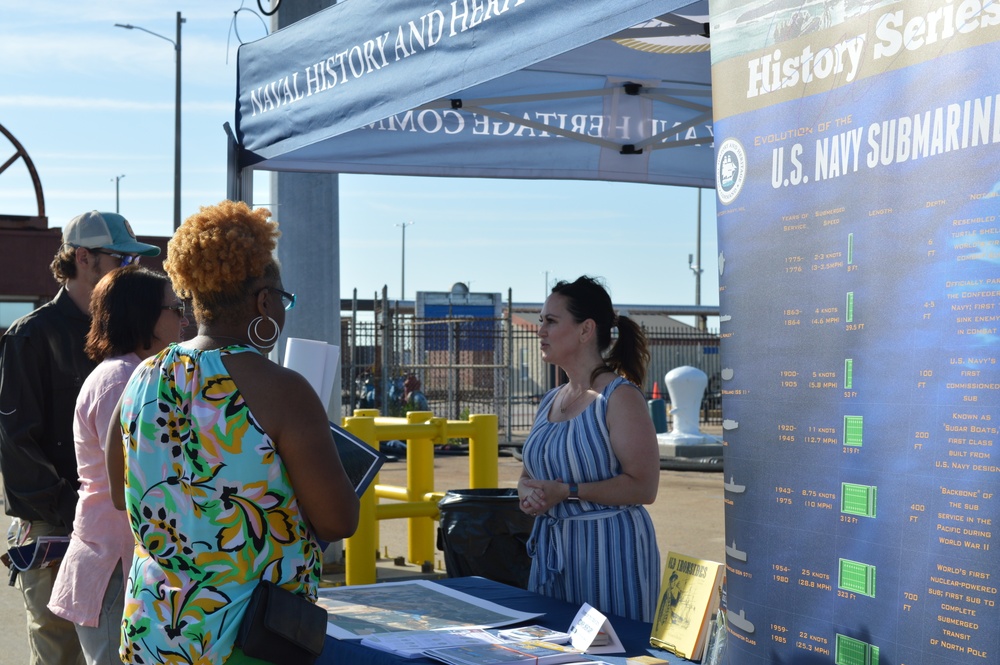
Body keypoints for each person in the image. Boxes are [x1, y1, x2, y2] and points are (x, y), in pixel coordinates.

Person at [105, 200, 360, 665]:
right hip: (246, 639)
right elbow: (338, 521)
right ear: (264, 301)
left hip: (153, 632)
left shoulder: (141, 378)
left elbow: (124, 495)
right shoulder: (283, 390)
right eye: (281, 299)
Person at [0, 211, 160, 665]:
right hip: (57, 523)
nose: (131, 268)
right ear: (83, 258)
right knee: (59, 651)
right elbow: (15, 443)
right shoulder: (31, 335)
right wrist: (75, 512)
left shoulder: (124, 337)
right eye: (123, 257)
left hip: (111, 523)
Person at [48, 266, 187, 665]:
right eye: (174, 308)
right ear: (143, 315)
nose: (184, 318)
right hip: (114, 563)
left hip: (113, 557)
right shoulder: (125, 378)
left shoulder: (127, 373)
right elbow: (142, 478)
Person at [517, 275, 661, 622]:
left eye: (551, 321)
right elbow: (528, 474)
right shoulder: (551, 400)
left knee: (613, 655)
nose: (541, 331)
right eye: (541, 321)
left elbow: (644, 486)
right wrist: (526, 491)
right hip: (553, 561)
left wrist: (566, 493)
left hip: (611, 558)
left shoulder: (619, 398)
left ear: (586, 330)